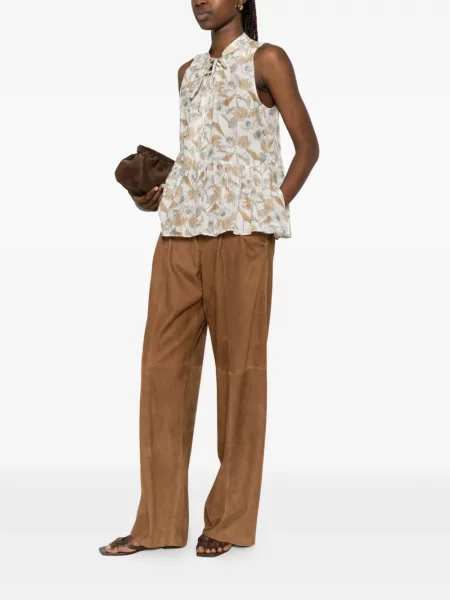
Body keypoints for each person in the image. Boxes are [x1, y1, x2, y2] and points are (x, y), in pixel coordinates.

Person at [99, 0, 319, 558]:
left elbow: (308, 148)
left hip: (242, 237)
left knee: (240, 375)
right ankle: (158, 524)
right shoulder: (187, 72)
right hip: (178, 234)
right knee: (161, 373)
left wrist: (267, 210)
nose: (200, 0)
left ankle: (230, 520)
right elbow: (202, 156)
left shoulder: (268, 60)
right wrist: (156, 197)